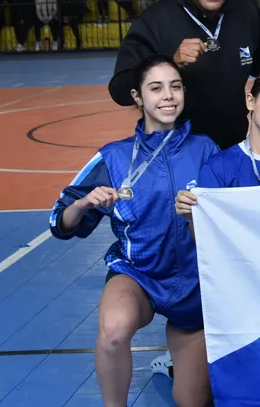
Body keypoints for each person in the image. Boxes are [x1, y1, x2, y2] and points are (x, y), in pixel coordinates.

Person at [48, 56, 218, 407]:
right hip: (138, 275)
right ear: (138, 97)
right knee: (112, 333)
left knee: (191, 401)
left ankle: (173, 368)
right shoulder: (113, 156)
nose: (168, 96)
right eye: (156, 88)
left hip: (196, 285)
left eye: (175, 86)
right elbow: (60, 222)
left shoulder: (207, 149)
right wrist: (84, 205)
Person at [110, 0, 260, 150]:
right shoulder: (155, 20)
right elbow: (120, 89)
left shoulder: (246, 13)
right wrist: (169, 63)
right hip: (174, 155)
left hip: (233, 151)